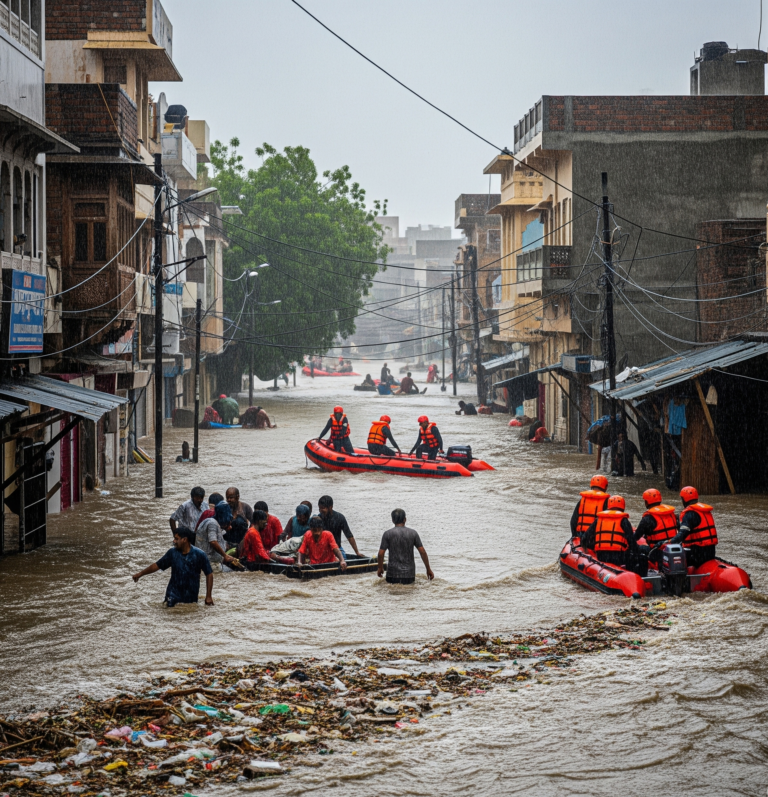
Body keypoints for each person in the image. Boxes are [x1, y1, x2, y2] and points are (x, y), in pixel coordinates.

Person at [132, 527, 213, 607]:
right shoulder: (172, 553)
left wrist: (208, 596)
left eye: (176, 539)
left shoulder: (199, 555)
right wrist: (140, 574)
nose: (174, 541)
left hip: (190, 596)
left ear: (184, 539)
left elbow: (209, 574)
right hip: (173, 594)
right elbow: (157, 565)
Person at [581, 495, 640, 572]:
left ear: (609, 506)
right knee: (640, 557)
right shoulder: (624, 520)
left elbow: (585, 538)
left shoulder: (599, 519)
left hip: (601, 556)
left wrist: (586, 551)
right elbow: (631, 542)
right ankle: (634, 575)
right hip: (618, 557)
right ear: (623, 507)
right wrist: (637, 553)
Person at [377, 508, 434, 585]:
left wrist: (380, 568)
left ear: (393, 520)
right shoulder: (413, 533)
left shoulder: (387, 534)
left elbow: (381, 554)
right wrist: (428, 569)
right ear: (405, 519)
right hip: (409, 575)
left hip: (392, 574)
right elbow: (422, 551)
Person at [667, 486, 718, 568]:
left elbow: (682, 535)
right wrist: (678, 525)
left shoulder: (690, 514)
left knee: (669, 556)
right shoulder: (704, 511)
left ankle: (675, 579)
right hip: (710, 552)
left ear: (684, 500)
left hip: (697, 554)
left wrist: (667, 542)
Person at [195, 500, 238, 571]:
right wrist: (225, 555)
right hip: (210, 563)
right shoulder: (212, 523)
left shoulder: (212, 522)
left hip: (208, 561)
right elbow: (213, 542)